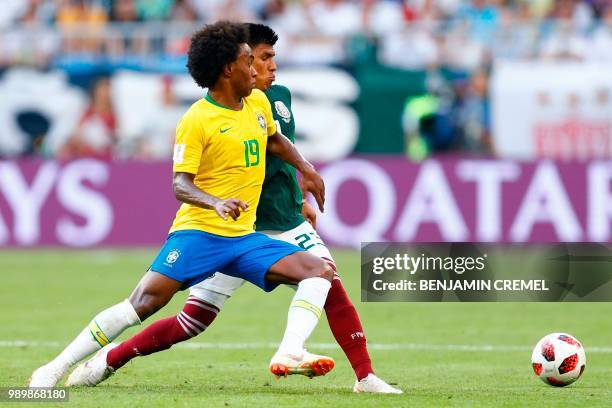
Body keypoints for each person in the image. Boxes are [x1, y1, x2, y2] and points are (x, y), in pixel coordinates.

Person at [57, 23, 402, 394]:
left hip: (281, 222)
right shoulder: (210, 113)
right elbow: (227, 166)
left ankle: (359, 374)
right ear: (239, 62)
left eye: (272, 59)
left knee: (327, 279)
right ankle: (112, 356)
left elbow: (277, 149)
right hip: (235, 227)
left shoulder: (275, 99)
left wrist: (301, 189)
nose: (269, 67)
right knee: (193, 320)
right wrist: (221, 201)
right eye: (262, 58)